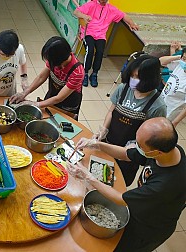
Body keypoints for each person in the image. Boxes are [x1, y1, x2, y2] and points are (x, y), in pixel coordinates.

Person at [69, 117, 186, 252]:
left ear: (156, 152)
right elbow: (127, 154)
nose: (136, 146)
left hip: (148, 227)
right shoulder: (169, 150)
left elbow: (121, 199)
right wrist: (97, 144)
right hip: (141, 208)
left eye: (140, 145)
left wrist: (88, 177)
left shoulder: (165, 185)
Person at [94, 55, 166, 186]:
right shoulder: (123, 89)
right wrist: (104, 129)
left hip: (128, 154)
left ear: (150, 79)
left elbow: (151, 137)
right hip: (109, 142)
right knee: (97, 176)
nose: (133, 80)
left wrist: (134, 146)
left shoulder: (157, 105)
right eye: (132, 76)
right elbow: (111, 111)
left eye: (138, 77)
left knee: (117, 183)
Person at [9, 36, 84, 117]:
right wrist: (24, 93)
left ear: (60, 61)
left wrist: (36, 104)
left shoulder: (77, 72)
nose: (49, 63)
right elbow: (41, 77)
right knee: (46, 117)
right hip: (52, 96)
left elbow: (59, 98)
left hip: (67, 104)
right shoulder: (54, 59)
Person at [74, 0, 139, 87]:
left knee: (100, 52)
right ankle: (85, 73)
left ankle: (94, 74)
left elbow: (123, 15)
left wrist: (131, 24)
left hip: (100, 35)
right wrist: (84, 16)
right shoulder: (91, 4)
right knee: (90, 50)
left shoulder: (111, 9)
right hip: (88, 33)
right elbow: (76, 12)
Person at [160, 48, 186, 127]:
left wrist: (174, 123)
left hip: (169, 115)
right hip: (159, 106)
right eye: (184, 58)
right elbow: (161, 61)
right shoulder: (180, 66)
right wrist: (179, 57)